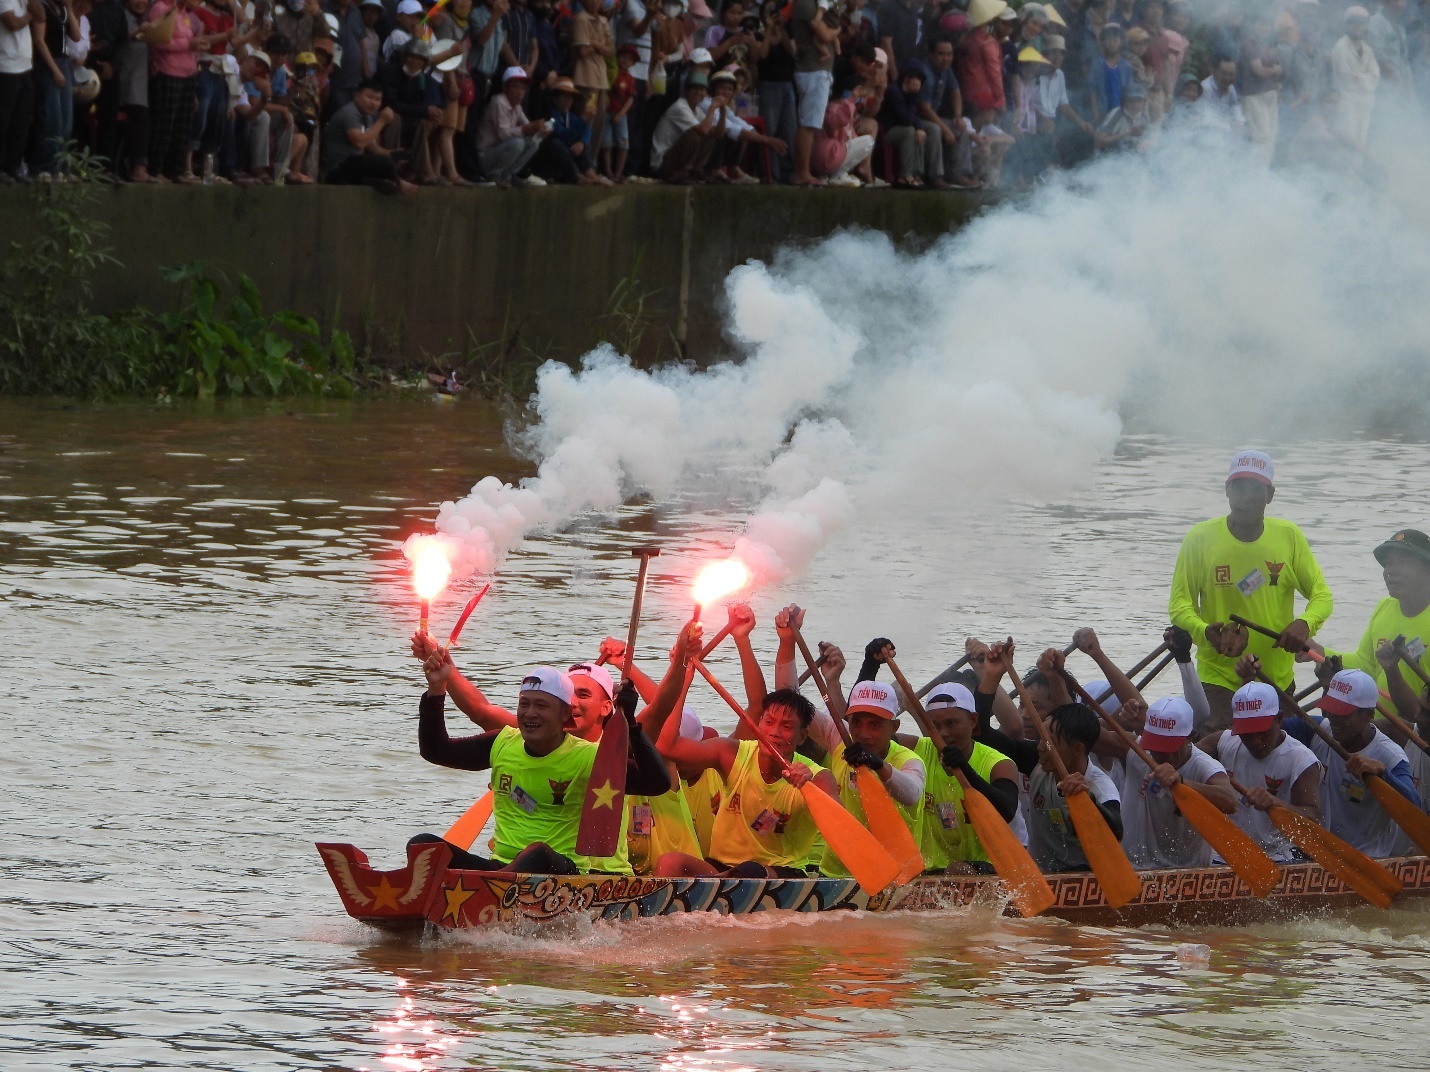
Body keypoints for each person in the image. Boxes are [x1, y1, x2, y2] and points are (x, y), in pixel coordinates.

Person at [410, 659, 671, 874]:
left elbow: (657, 783)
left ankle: (487, 889)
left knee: (538, 852)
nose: (529, 713)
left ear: (565, 715)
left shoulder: (590, 757)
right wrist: (436, 690)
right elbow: (436, 750)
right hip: (501, 868)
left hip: (562, 875)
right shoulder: (501, 743)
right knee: (422, 845)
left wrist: (631, 725)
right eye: (524, 704)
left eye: (541, 705)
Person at [1169, 450, 1333, 736]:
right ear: (1227, 490)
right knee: (1219, 749)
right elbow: (1179, 606)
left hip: (1276, 681)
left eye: (1255, 489)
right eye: (1239, 487)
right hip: (1219, 679)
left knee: (1275, 763)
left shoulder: (1289, 537)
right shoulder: (1200, 538)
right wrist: (1204, 630)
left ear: (1270, 494)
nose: (1246, 497)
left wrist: (1305, 623)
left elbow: (1322, 597)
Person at [653, 686, 839, 878]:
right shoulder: (731, 754)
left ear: (801, 737)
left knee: (749, 871)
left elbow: (839, 829)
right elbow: (667, 747)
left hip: (780, 873)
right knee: (669, 862)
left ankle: (712, 888)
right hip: (720, 867)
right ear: (758, 724)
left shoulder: (818, 776)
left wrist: (809, 789)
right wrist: (684, 679)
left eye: (787, 727)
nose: (774, 732)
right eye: (769, 722)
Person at [973, 642, 1125, 873]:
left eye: (1052, 741)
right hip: (1040, 875)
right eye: (1043, 737)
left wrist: (1089, 801)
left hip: (1086, 875)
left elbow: (1116, 830)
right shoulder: (1037, 761)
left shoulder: (1100, 786)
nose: (1042, 747)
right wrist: (992, 675)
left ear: (1077, 749)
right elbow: (979, 731)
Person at [806, 678, 925, 879]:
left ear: (894, 727)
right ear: (848, 722)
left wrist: (878, 764)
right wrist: (787, 647)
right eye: (857, 723)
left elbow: (912, 794)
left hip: (894, 877)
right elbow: (792, 707)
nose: (864, 734)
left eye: (875, 725)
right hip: (835, 874)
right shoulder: (840, 739)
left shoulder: (909, 760)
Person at [896, 682, 1018, 874]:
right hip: (931, 870)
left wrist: (965, 769)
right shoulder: (916, 749)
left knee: (958, 870)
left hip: (989, 867)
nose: (944, 733)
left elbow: (1007, 810)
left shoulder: (999, 764)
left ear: (973, 721)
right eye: (935, 726)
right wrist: (872, 664)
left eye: (951, 723)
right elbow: (869, 737)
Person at [1196, 680, 1320, 862]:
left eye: (1262, 731)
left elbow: (1314, 820)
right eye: (1246, 733)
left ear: (1279, 719)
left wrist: (1277, 803)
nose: (1255, 741)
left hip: (1277, 856)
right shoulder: (1222, 742)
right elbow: (1184, 756)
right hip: (1223, 854)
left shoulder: (1301, 760)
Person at [1303, 668, 1420, 858]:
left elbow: (1415, 809)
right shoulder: (1320, 731)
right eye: (1331, 710)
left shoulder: (1390, 756)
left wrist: (1384, 776)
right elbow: (1273, 726)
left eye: (1342, 713)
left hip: (1368, 859)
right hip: (1322, 853)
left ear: (1369, 715)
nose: (1333, 719)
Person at [1116, 696, 1237, 869]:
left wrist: (1183, 782)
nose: (1161, 754)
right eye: (1156, 745)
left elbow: (1231, 802)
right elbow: (1085, 732)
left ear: (1191, 737)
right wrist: (1117, 717)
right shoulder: (1135, 750)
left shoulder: (1204, 765)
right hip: (1133, 868)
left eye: (1168, 746)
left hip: (1189, 871)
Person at [320, 75, 415, 190]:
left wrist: (394, 153)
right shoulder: (349, 113)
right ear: (357, 96)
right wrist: (381, 121)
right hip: (338, 167)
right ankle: (399, 182)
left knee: (389, 165)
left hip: (354, 166)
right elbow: (359, 143)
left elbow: (373, 148)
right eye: (369, 97)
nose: (374, 103)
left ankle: (380, 182)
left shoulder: (368, 117)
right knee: (384, 163)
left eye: (378, 99)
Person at [788, 0, 836, 185]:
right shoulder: (805, 3)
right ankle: (802, 172)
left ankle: (804, 171)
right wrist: (837, 30)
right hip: (813, 71)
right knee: (808, 123)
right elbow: (824, 34)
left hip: (817, 71)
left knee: (811, 123)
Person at [476, 63, 546, 184]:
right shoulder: (499, 101)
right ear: (505, 88)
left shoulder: (517, 106)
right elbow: (504, 135)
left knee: (533, 143)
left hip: (500, 153)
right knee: (518, 143)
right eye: (516, 87)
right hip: (486, 157)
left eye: (523, 88)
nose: (520, 92)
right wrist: (526, 129)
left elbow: (528, 125)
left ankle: (508, 175)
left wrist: (541, 130)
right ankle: (493, 175)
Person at [537, 75, 611, 183]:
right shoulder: (550, 115)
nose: (567, 100)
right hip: (549, 161)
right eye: (563, 96)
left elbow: (586, 132)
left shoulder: (571, 116)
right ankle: (577, 177)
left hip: (566, 161)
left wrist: (581, 142)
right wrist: (584, 119)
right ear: (555, 98)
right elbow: (562, 136)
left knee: (580, 143)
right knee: (556, 143)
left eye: (570, 96)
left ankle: (591, 174)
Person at [649, 68, 721, 178]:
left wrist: (723, 111)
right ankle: (680, 171)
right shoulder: (680, 106)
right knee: (694, 135)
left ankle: (695, 169)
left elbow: (716, 132)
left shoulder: (697, 110)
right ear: (686, 91)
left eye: (701, 89)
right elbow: (703, 130)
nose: (698, 93)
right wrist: (712, 108)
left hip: (674, 157)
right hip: (662, 162)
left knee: (711, 135)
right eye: (694, 89)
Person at [1237, 11, 1282, 166]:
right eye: (1261, 24)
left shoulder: (1267, 46)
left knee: (1271, 136)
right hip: (1253, 94)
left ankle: (1264, 173)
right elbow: (1259, 70)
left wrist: (1274, 71)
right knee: (1260, 136)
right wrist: (1274, 70)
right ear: (1253, 26)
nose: (1264, 28)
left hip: (1269, 94)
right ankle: (1256, 174)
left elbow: (1277, 69)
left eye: (1267, 25)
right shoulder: (1249, 44)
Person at [1330, 6, 1379, 147]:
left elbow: (1375, 76)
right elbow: (1345, 76)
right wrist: (1364, 77)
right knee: (1347, 140)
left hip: (1365, 103)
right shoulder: (1340, 47)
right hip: (1346, 102)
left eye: (1362, 23)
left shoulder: (1367, 49)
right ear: (1347, 25)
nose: (1359, 27)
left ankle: (1356, 168)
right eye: (1354, 22)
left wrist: (1358, 77)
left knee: (1361, 141)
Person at [0, 0, 37, 183]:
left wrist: (32, 6)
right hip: (6, 67)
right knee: (3, 120)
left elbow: (42, 16)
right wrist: (30, 14)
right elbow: (13, 24)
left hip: (25, 66)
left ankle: (12, 166)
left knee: (21, 121)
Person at [570, 0, 612, 157]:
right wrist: (599, 44)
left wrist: (593, 43)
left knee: (599, 122)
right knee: (586, 119)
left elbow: (609, 52)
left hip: (601, 78)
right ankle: (581, 161)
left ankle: (591, 162)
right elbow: (582, 51)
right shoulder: (581, 19)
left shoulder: (604, 20)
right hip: (586, 77)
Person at [879, 64, 927, 186]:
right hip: (887, 131)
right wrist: (913, 96)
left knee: (919, 132)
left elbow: (914, 117)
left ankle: (917, 173)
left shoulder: (911, 94)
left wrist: (920, 128)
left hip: (901, 128)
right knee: (910, 131)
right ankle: (905, 175)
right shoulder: (894, 91)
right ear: (906, 78)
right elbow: (905, 118)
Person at [601, 43, 638, 179]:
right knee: (606, 143)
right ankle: (608, 172)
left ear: (632, 63)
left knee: (623, 143)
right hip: (607, 111)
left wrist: (621, 113)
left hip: (621, 114)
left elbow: (631, 98)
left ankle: (618, 172)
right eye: (622, 57)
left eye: (629, 59)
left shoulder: (629, 79)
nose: (624, 61)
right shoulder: (611, 73)